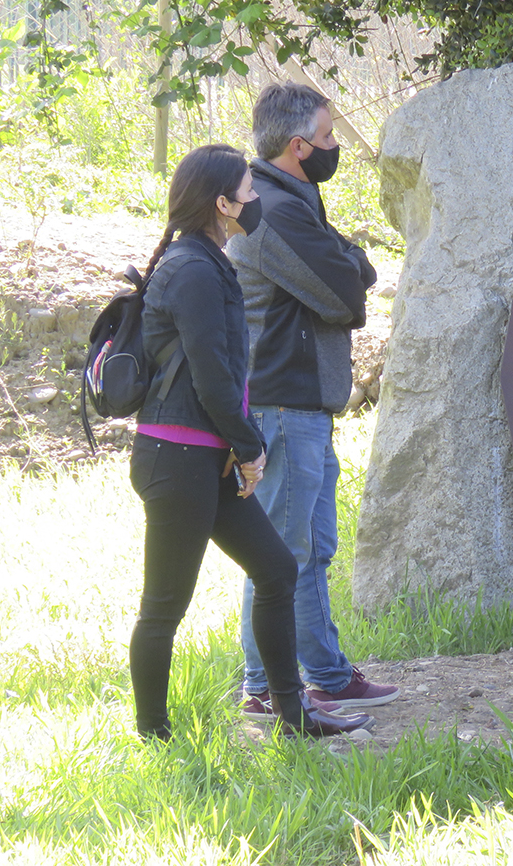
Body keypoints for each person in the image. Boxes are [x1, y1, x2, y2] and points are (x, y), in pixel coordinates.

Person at [128, 144, 372, 739]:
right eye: (248, 190)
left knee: (276, 569)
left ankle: (293, 717)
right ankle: (153, 736)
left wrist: (239, 446)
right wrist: (251, 447)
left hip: (204, 456)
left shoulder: (209, 262)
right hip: (177, 459)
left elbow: (228, 372)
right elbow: (213, 375)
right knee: (165, 606)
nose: (256, 198)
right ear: (222, 204)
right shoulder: (191, 270)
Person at [225, 83, 399, 714]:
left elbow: (356, 269)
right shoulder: (270, 208)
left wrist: (347, 259)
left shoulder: (295, 198)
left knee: (305, 548)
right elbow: (345, 295)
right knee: (285, 552)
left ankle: (309, 675)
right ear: (297, 146)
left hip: (300, 404)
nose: (334, 148)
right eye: (327, 139)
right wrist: (348, 262)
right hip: (281, 402)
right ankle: (275, 685)